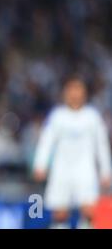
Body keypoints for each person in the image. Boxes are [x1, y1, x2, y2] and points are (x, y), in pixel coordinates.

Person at [33, 75, 111, 229]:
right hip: (61, 170)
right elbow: (46, 142)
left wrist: (106, 170)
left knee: (89, 210)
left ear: (84, 93)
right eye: (71, 90)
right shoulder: (57, 116)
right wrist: (40, 164)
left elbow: (102, 145)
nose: (75, 94)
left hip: (85, 170)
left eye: (78, 90)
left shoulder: (92, 117)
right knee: (60, 213)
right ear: (65, 93)